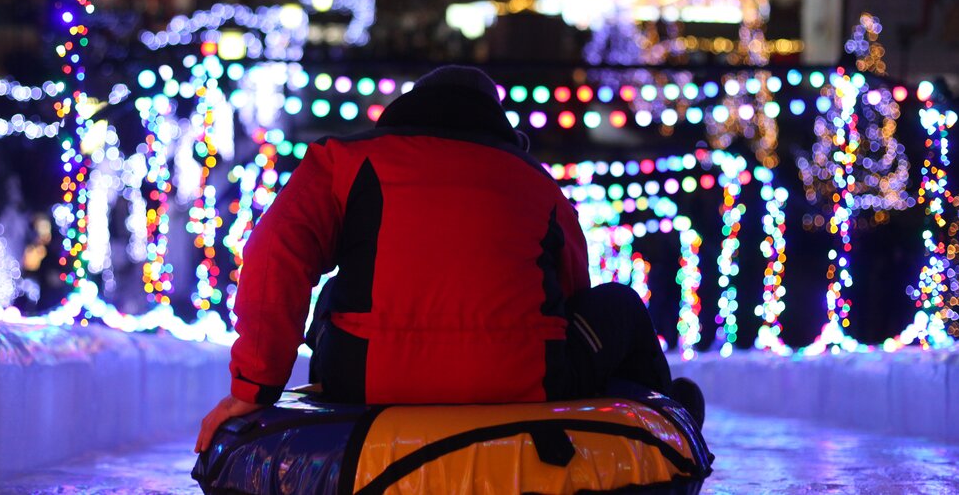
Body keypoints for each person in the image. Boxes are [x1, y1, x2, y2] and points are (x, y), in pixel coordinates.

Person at [196, 66, 703, 453]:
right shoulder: (538, 184)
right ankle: (658, 424)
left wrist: (255, 388)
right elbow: (571, 296)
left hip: (366, 376)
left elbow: (273, 252)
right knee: (620, 303)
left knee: (337, 291)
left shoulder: (341, 160)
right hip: (523, 381)